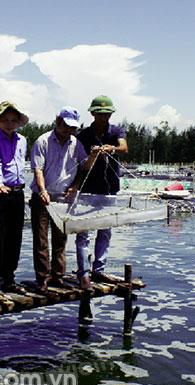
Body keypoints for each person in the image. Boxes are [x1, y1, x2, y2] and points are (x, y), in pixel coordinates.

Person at [30, 107, 97, 293]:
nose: (69, 131)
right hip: (42, 198)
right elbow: (37, 169)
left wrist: (76, 184)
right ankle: (42, 279)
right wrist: (42, 190)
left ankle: (58, 276)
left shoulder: (76, 143)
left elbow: (85, 167)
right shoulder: (43, 141)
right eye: (66, 126)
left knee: (60, 240)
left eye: (73, 128)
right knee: (41, 241)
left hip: (63, 199)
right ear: (58, 121)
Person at [75, 95, 128, 287]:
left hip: (109, 190)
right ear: (92, 114)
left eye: (107, 114)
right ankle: (83, 273)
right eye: (99, 114)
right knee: (83, 233)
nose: (103, 118)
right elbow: (79, 163)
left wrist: (111, 148)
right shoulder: (83, 135)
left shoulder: (116, 130)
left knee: (105, 232)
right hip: (88, 190)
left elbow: (124, 147)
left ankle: (98, 269)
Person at [0, 101, 29, 301]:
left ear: (18, 122)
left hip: (17, 193)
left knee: (14, 238)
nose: (9, 124)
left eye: (13, 120)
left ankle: (9, 279)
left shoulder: (22, 140)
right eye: (5, 120)